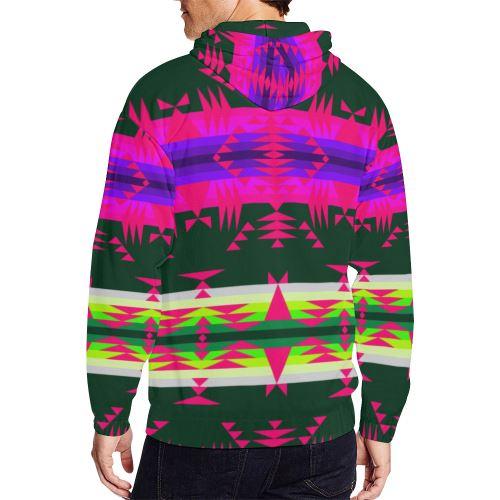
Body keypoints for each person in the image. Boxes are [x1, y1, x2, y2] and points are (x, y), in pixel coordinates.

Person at [87, 1, 414, 498]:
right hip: (321, 439)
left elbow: (126, 266)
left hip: (194, 437)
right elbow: (386, 275)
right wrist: (380, 419)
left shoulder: (161, 100)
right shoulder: (360, 105)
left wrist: (111, 411)